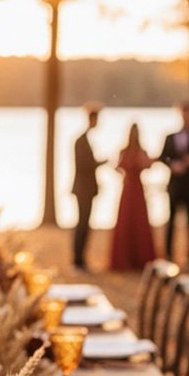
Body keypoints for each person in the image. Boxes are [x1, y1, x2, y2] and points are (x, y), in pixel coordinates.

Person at [159, 102, 189, 267]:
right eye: (184, 114)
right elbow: (163, 156)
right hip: (175, 184)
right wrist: (173, 164)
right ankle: (169, 254)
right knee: (171, 220)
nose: (187, 117)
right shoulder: (171, 137)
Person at [109, 123, 157, 271]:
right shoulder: (124, 150)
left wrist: (149, 162)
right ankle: (123, 259)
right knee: (125, 221)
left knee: (139, 221)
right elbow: (118, 167)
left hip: (138, 188)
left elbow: (148, 166)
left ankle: (141, 259)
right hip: (128, 188)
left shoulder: (142, 151)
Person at [71, 103, 105, 270]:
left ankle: (81, 259)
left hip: (87, 189)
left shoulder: (85, 140)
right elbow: (83, 165)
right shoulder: (81, 141)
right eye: (96, 119)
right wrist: (99, 163)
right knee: (82, 223)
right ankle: (78, 260)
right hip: (83, 189)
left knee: (85, 223)